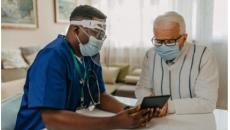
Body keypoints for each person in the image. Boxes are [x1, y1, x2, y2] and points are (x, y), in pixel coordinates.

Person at [15, 5, 158, 130]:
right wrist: (114, 122)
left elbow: (100, 96)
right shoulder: (52, 57)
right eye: (97, 34)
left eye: (103, 35)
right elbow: (52, 119)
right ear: (76, 30)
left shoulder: (90, 55)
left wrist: (129, 111)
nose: (100, 40)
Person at [135, 11, 219, 115]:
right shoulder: (150, 55)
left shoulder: (203, 56)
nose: (163, 47)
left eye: (170, 42)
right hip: (159, 121)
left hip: (193, 121)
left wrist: (167, 106)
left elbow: (207, 102)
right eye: (159, 41)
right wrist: (150, 104)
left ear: (184, 38)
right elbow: (142, 88)